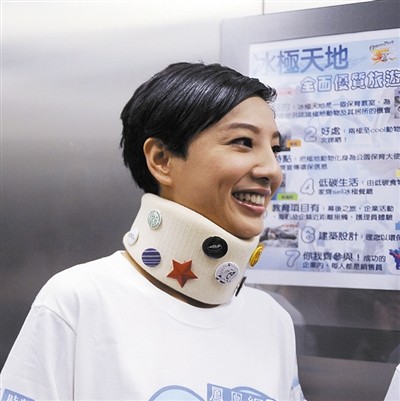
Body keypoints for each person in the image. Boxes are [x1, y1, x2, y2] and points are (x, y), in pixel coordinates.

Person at [0, 62, 306, 401]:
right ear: (161, 159)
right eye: (243, 142)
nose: (272, 171)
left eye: (274, 149)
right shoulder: (78, 302)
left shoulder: (273, 321)